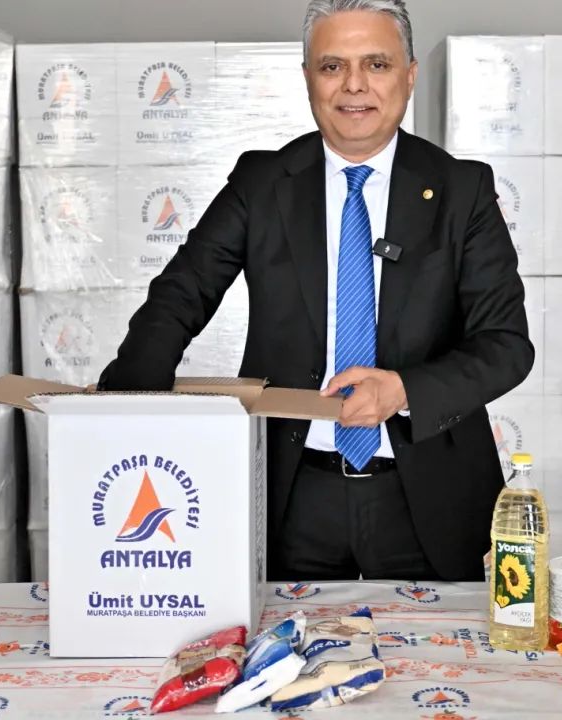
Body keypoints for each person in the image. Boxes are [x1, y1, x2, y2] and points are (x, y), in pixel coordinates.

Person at [96, 0, 533, 583]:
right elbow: (181, 294)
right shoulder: (261, 181)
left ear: (409, 75)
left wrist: (404, 389)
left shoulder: (462, 189)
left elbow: (506, 345)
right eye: (332, 66)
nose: (354, 85)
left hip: (430, 494)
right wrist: (120, 409)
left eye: (376, 64)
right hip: (290, 492)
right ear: (307, 78)